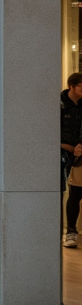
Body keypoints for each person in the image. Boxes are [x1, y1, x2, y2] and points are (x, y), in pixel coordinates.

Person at [63, 73, 82, 247]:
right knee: (75, 193)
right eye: (81, 86)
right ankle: (70, 232)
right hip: (69, 155)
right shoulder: (61, 105)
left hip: (78, 151)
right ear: (72, 86)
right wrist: (71, 147)